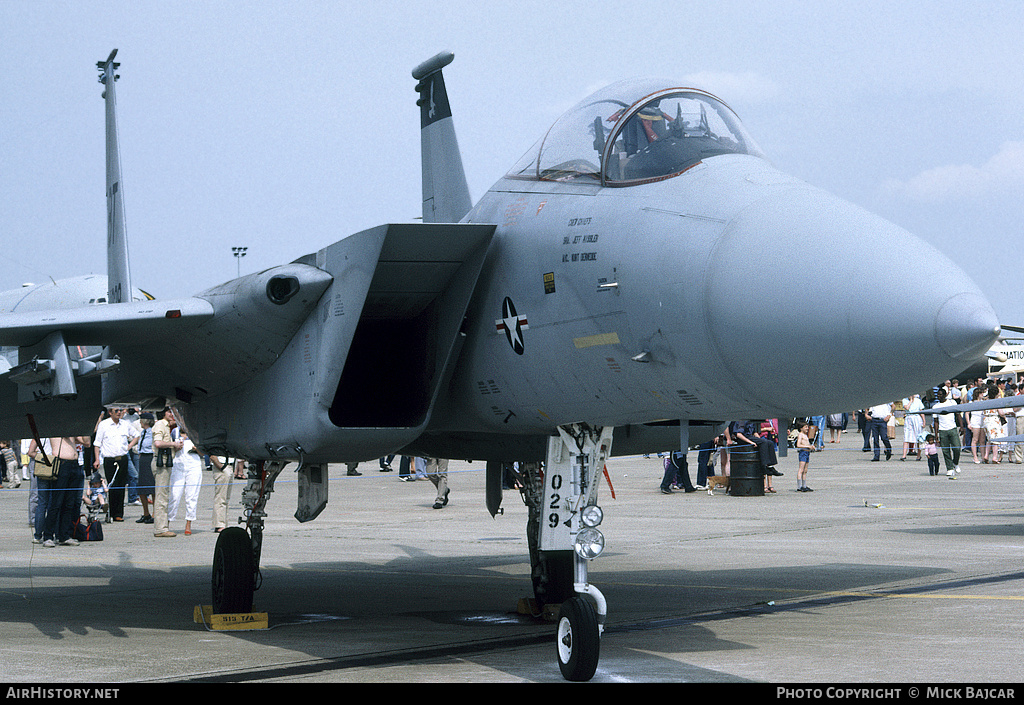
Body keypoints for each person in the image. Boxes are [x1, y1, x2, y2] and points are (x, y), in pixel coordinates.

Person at [93, 406, 140, 521]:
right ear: (110, 412)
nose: (119, 413)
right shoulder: (104, 425)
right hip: (110, 459)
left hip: (122, 458)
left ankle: (119, 513)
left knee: (121, 485)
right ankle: (111, 512)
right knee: (112, 485)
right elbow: (97, 443)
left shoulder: (124, 424)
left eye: (120, 411)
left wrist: (129, 447)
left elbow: (137, 435)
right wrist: (97, 459)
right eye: (116, 411)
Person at [167, 426, 204, 535]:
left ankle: (189, 522)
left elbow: (204, 453)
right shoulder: (175, 432)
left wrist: (196, 449)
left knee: (191, 495)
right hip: (178, 464)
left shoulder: (197, 432)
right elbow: (170, 448)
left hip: (194, 465)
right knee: (174, 494)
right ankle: (167, 522)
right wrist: (175, 447)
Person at [151, 408, 179, 537]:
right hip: (161, 462)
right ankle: (160, 528)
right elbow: (158, 443)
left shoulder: (166, 426)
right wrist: (173, 444)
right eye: (169, 412)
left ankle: (162, 526)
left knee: (164, 494)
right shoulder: (160, 425)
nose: (171, 414)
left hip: (165, 461)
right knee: (162, 496)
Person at [930, 388, 961, 478]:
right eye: (938, 395)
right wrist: (936, 435)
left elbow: (958, 414)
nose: (939, 396)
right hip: (942, 430)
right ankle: (950, 468)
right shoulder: (935, 407)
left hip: (952, 428)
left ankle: (955, 463)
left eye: (940, 395)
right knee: (946, 451)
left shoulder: (952, 403)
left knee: (957, 448)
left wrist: (962, 427)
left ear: (945, 395)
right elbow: (936, 421)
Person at [210, 452, 244, 533]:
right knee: (221, 497)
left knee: (226, 498)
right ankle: (219, 524)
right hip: (222, 465)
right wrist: (221, 467)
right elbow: (211, 454)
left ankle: (224, 522)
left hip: (229, 465)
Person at [134, 413, 155, 525]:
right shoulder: (142, 432)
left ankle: (155, 513)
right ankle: (145, 513)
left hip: (150, 457)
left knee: (152, 486)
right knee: (141, 487)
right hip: (142, 458)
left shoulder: (152, 432)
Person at [901, 394, 925, 460]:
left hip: (917, 418)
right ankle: (904, 455)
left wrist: (924, 421)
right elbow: (907, 408)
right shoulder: (905, 400)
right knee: (906, 436)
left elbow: (921, 411)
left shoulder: (918, 401)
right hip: (909, 417)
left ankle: (918, 455)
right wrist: (911, 401)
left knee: (918, 437)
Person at [795, 421, 815, 492]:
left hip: (807, 453)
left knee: (805, 470)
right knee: (801, 469)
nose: (807, 428)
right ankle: (799, 486)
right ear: (801, 428)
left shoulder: (806, 435)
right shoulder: (800, 435)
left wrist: (811, 447)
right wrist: (808, 446)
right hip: (803, 452)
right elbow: (798, 445)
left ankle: (804, 485)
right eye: (805, 427)